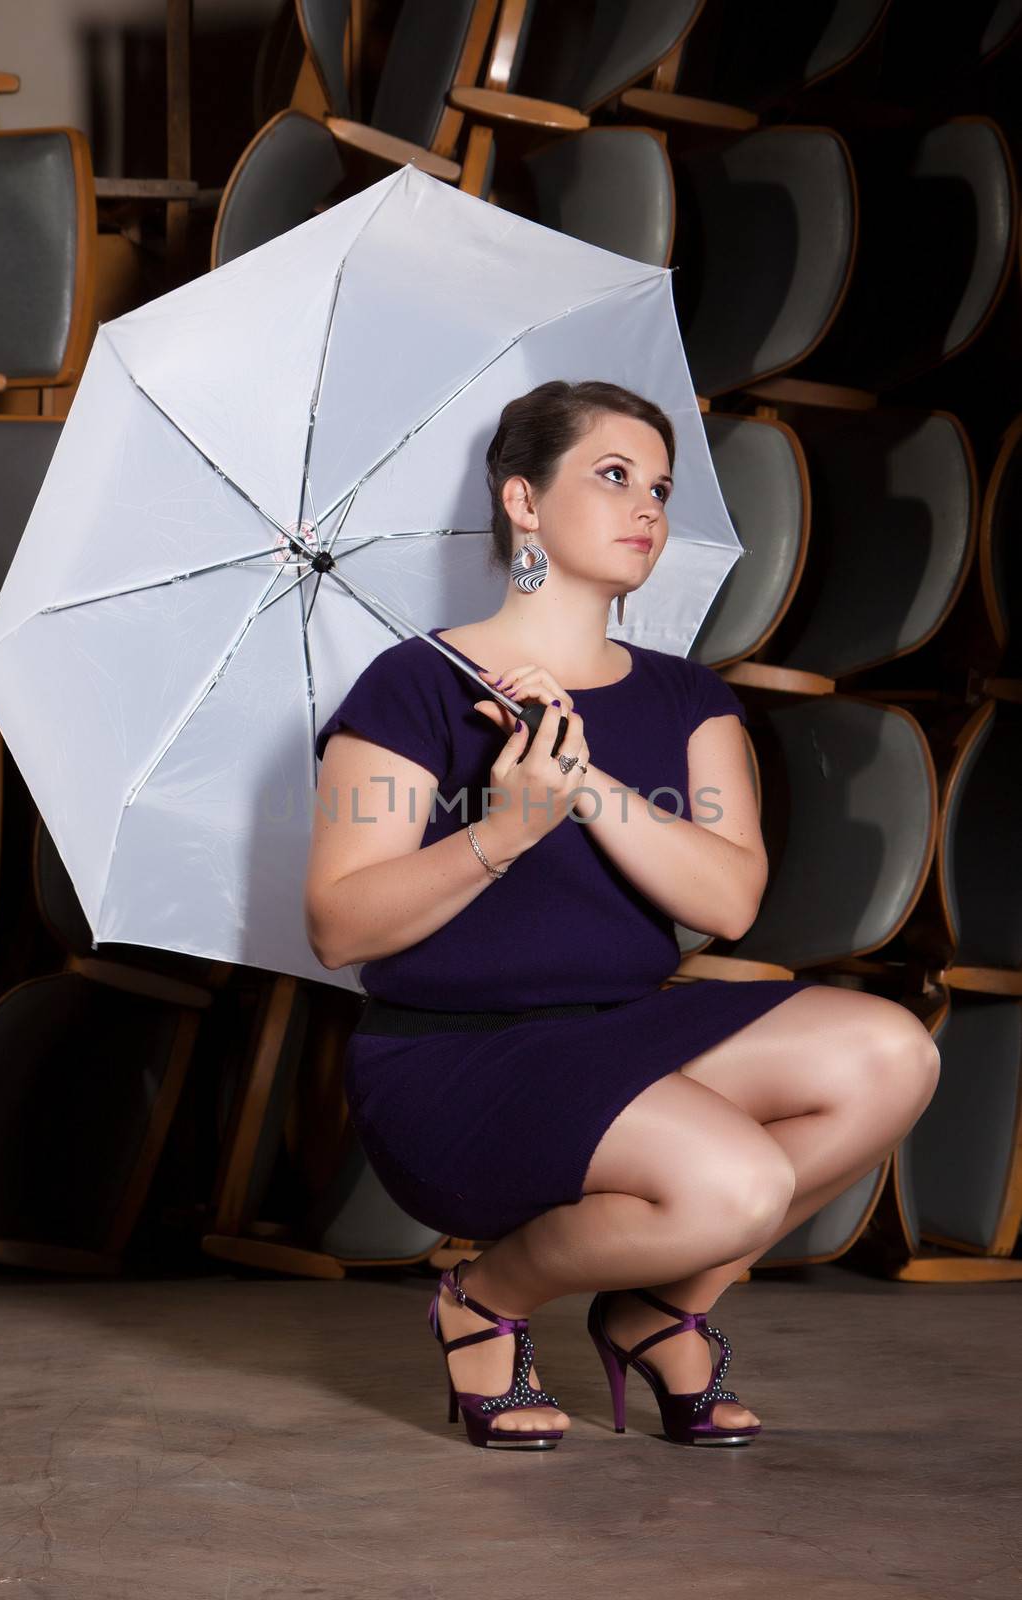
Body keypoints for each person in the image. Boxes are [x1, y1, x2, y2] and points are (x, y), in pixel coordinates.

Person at [304, 379, 941, 1452]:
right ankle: (481, 1300)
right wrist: (502, 830)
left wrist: (584, 784)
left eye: (658, 485)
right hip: (454, 1063)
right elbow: (339, 925)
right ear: (521, 500)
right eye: (610, 476)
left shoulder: (686, 700)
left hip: (622, 1037)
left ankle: (657, 1308)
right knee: (736, 1182)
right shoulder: (412, 687)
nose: (646, 504)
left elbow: (728, 899)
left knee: (890, 1055)